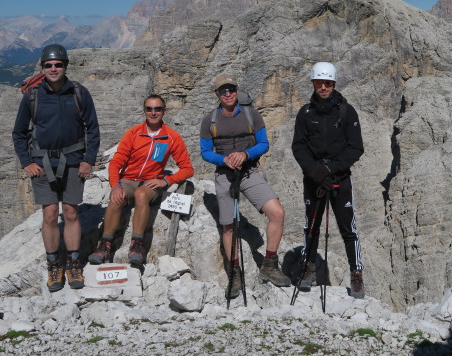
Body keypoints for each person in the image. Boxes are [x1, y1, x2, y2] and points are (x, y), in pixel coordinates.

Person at [12, 44, 100, 292]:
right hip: (41, 164)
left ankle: (73, 264)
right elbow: (19, 133)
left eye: (58, 64)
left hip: (73, 163)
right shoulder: (33, 96)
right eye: (48, 65)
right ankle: (53, 265)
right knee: (50, 215)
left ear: (65, 66)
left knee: (71, 213)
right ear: (42, 68)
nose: (53, 68)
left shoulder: (79, 93)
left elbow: (92, 129)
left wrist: (88, 160)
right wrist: (26, 162)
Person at [200, 73, 290, 298]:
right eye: (223, 91)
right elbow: (205, 152)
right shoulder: (209, 120)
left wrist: (244, 154)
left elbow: (263, 144)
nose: (228, 94)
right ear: (217, 94)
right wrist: (225, 160)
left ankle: (269, 265)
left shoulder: (252, 115)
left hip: (249, 171)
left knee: (277, 213)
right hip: (224, 174)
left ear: (237, 91)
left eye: (231, 89)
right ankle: (235, 272)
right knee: (229, 225)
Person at [89, 94, 193, 265]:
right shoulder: (134, 133)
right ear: (144, 111)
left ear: (164, 111)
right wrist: (115, 186)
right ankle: (104, 244)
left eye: (157, 109)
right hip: (129, 179)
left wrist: (166, 181)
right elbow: (116, 163)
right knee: (116, 198)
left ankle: (137, 244)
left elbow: (188, 168)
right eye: (149, 109)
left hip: (150, 182)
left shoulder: (172, 137)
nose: (153, 113)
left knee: (142, 195)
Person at [291, 62, 365, 298]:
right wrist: (316, 172)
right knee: (311, 227)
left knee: (348, 229)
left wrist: (330, 170)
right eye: (319, 82)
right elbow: (299, 147)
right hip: (313, 180)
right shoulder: (305, 113)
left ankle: (356, 275)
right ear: (313, 83)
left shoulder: (347, 112)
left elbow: (356, 148)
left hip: (339, 179)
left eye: (328, 83)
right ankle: (308, 269)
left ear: (333, 84)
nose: (323, 87)